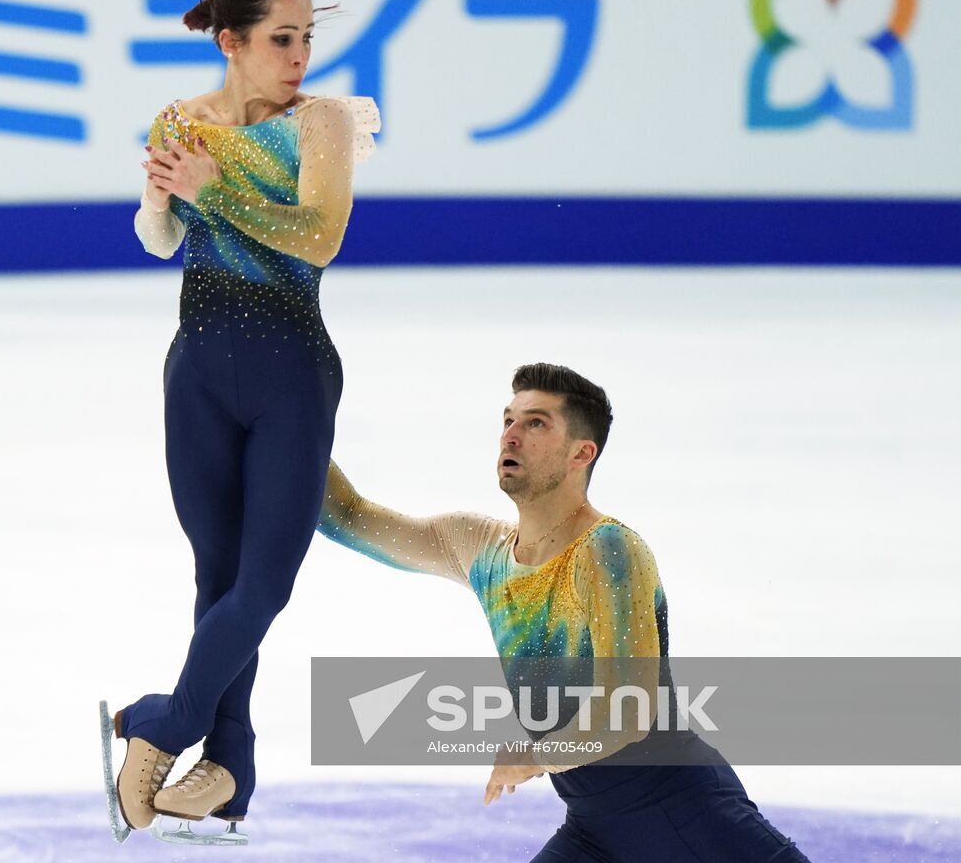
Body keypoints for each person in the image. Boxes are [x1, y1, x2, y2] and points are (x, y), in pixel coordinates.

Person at [318, 363, 811, 862]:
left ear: (582, 452)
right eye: (508, 420)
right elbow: (349, 517)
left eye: (536, 424)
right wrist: (285, 426)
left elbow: (628, 709)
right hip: (595, 831)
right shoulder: (479, 548)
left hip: (686, 814)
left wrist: (535, 755)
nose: (511, 435)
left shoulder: (607, 549)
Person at [103, 0, 381, 845]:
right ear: (233, 42)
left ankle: (170, 721)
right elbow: (161, 240)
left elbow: (320, 235)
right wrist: (161, 199)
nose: (300, 56)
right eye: (280, 39)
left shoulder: (324, 123)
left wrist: (209, 190)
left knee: (265, 580)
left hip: (292, 372)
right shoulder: (181, 122)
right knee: (215, 576)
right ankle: (230, 769)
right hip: (196, 371)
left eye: (307, 38)